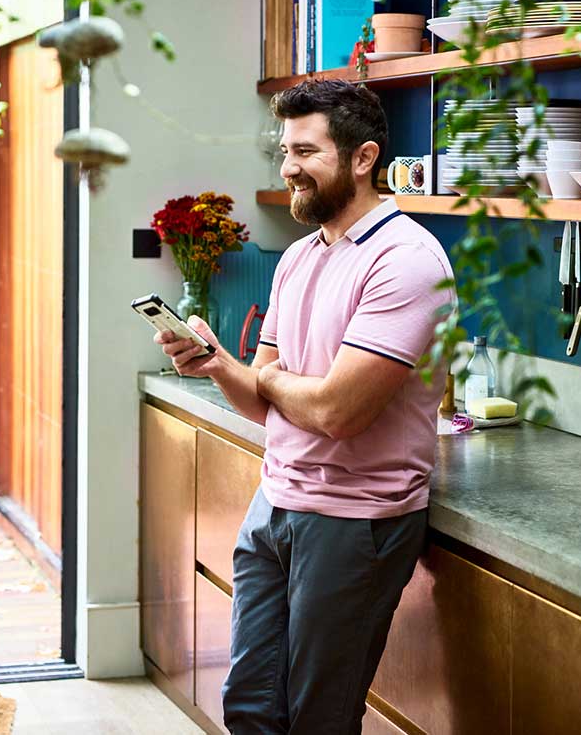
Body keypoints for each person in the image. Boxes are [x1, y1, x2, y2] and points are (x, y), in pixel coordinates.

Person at [155, 79, 455, 734]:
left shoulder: (407, 262)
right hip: (277, 505)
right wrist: (216, 364)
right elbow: (267, 394)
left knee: (318, 719)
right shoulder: (297, 257)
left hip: (354, 521)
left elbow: (335, 412)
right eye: (285, 149)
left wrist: (270, 381)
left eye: (305, 150)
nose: (287, 166)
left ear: (363, 158)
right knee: (253, 708)